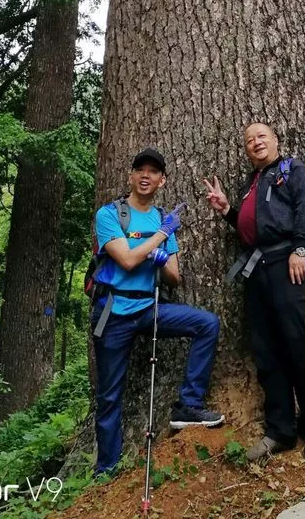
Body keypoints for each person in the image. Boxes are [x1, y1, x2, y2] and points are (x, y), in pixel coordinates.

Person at [92, 148, 224, 476]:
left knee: (206, 324)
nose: (146, 176)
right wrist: (160, 238)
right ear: (130, 176)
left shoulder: (162, 218)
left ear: (162, 180)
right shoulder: (110, 215)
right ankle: (106, 469)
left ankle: (188, 406)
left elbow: (175, 278)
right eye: (140, 170)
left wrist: (163, 260)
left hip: (149, 309)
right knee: (109, 395)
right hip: (114, 313)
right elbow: (126, 259)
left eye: (153, 172)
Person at [204, 122, 305, 462]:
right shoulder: (252, 182)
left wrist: (300, 249)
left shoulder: (293, 170)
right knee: (265, 349)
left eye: (262, 137)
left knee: (295, 340)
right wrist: (228, 209)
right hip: (256, 269)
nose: (255, 143)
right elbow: (252, 224)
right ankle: (280, 430)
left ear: (275, 140)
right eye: (249, 140)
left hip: (287, 260)